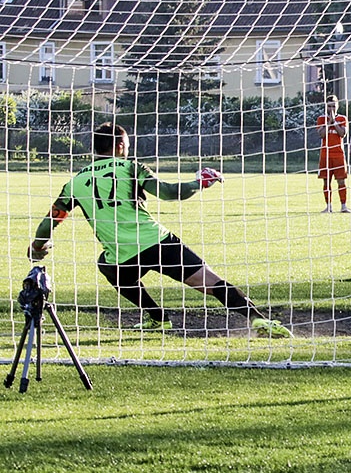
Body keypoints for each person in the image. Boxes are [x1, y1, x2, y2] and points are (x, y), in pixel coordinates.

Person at [26, 122, 292, 337]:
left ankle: (157, 318)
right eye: (127, 146)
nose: (127, 150)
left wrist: (37, 247)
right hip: (158, 242)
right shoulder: (130, 167)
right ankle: (258, 320)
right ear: (119, 146)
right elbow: (167, 192)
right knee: (209, 283)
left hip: (122, 255)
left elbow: (48, 222)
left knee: (107, 265)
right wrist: (199, 182)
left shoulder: (76, 182)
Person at [317, 94, 351, 213]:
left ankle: (343, 206)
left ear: (338, 106)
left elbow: (342, 133)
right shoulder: (321, 119)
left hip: (339, 155)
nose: (331, 109)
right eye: (329, 106)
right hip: (325, 155)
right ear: (326, 107)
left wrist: (334, 122)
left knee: (341, 181)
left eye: (333, 106)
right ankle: (329, 206)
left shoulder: (343, 118)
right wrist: (328, 122)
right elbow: (321, 134)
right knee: (326, 181)